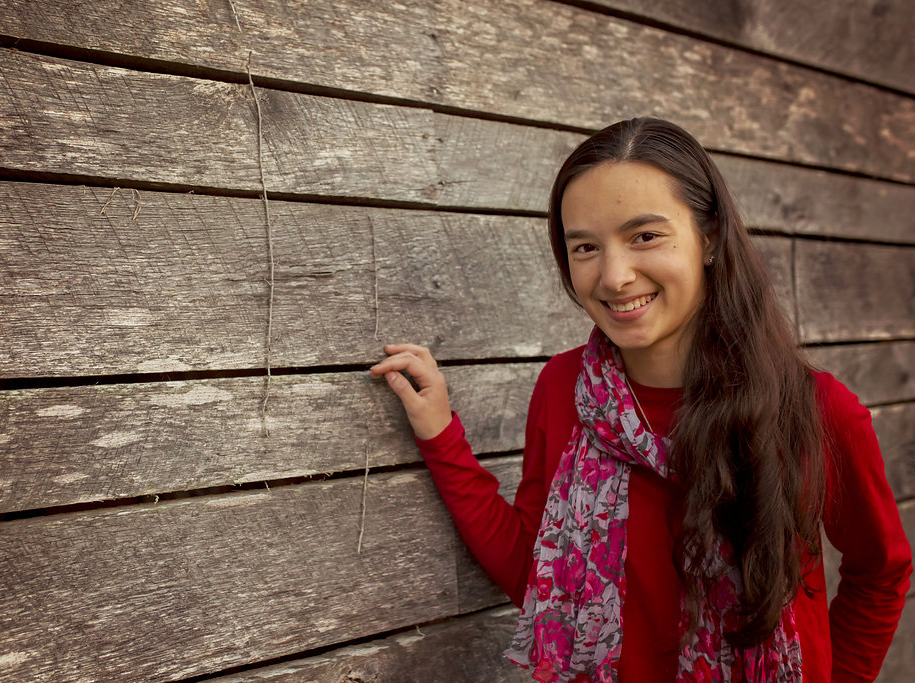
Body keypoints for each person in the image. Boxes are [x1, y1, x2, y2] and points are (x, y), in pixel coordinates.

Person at [369, 118, 911, 682]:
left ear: (710, 237)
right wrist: (440, 434)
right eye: (585, 247)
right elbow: (535, 570)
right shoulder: (564, 390)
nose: (615, 275)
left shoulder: (814, 409)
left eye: (644, 236)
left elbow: (882, 570)